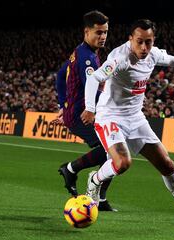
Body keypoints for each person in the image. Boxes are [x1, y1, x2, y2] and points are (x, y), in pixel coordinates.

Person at [81, 19, 174, 224]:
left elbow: (170, 59)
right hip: (110, 116)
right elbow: (94, 78)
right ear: (130, 39)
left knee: (166, 164)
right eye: (139, 42)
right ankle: (95, 179)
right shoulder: (119, 58)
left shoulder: (152, 54)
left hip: (136, 118)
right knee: (123, 163)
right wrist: (90, 108)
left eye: (149, 42)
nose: (144, 47)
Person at [56, 10, 117, 211]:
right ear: (86, 31)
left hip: (76, 113)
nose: (102, 37)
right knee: (113, 151)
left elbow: (59, 75)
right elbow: (91, 89)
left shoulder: (81, 52)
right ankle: (71, 169)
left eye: (105, 32)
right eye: (98, 32)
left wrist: (62, 104)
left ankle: (98, 196)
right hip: (80, 116)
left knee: (114, 151)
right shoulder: (87, 59)